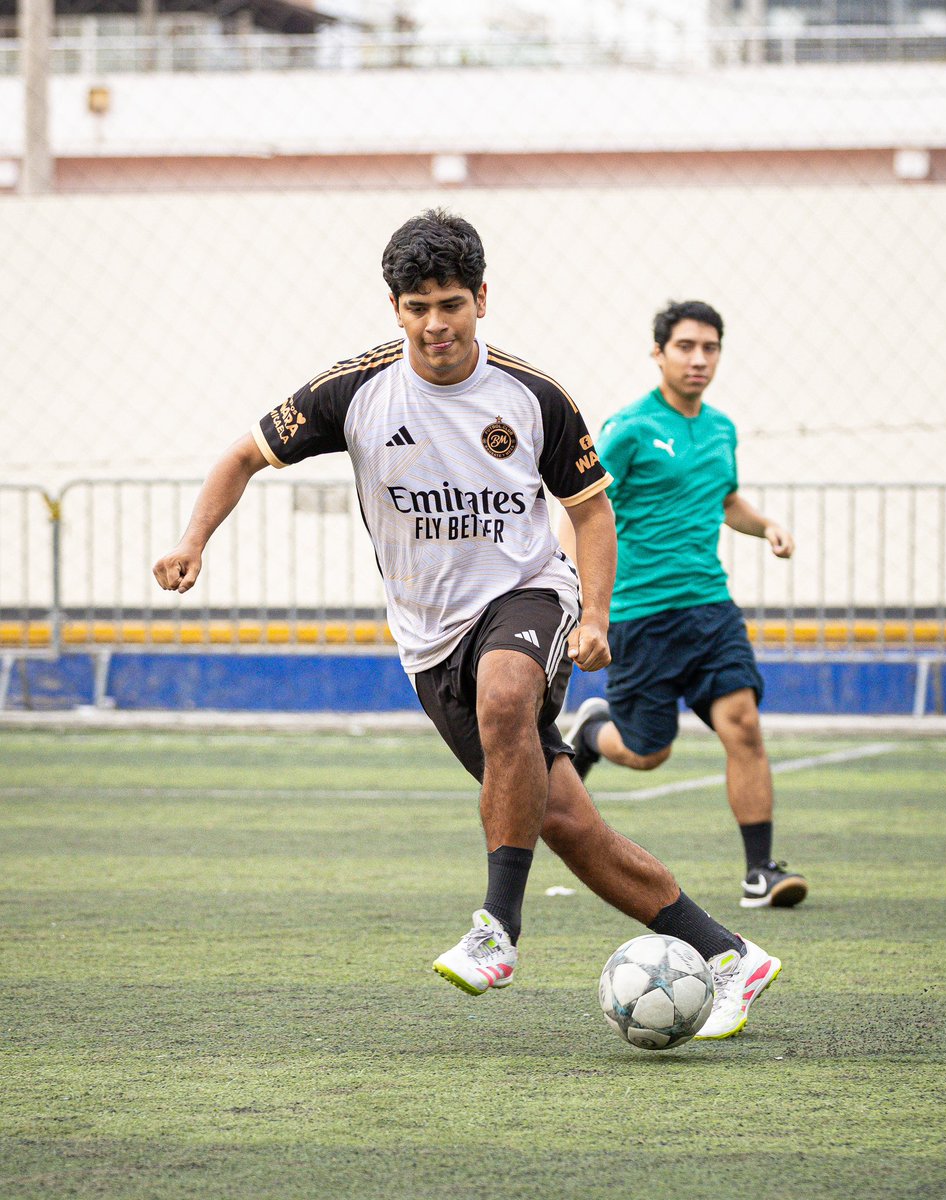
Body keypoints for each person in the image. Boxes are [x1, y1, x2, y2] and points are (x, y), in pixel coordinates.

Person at [153, 215, 781, 1038]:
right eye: (417, 307)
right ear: (395, 308)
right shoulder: (352, 392)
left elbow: (592, 512)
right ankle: (731, 954)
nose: (435, 324)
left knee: (506, 693)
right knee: (567, 824)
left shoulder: (533, 396)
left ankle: (497, 930)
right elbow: (241, 456)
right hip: (429, 641)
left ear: (481, 298)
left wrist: (594, 615)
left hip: (528, 594)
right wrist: (192, 541)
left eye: (450, 303)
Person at [564, 299, 808, 910]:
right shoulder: (629, 428)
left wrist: (766, 526)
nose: (699, 359)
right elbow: (582, 507)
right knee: (648, 752)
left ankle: (760, 873)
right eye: (686, 347)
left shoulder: (721, 428)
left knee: (742, 724)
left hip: (710, 608)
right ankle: (593, 732)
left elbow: (725, 502)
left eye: (710, 348)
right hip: (640, 615)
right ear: (659, 353)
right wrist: (576, 595)